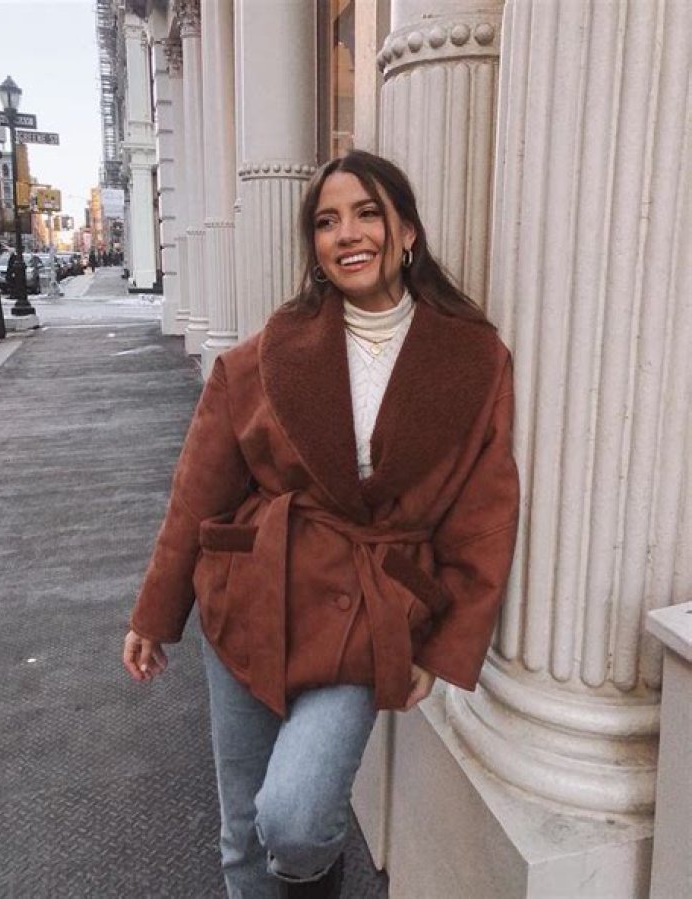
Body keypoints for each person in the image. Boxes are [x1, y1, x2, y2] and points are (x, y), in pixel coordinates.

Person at [123, 150, 519, 898]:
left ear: (407, 231)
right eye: (328, 222)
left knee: (297, 820)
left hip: (368, 612)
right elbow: (198, 494)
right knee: (244, 830)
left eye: (368, 213)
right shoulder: (267, 354)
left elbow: (484, 516)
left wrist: (443, 644)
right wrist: (155, 613)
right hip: (251, 594)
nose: (348, 234)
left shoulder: (473, 358)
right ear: (315, 247)